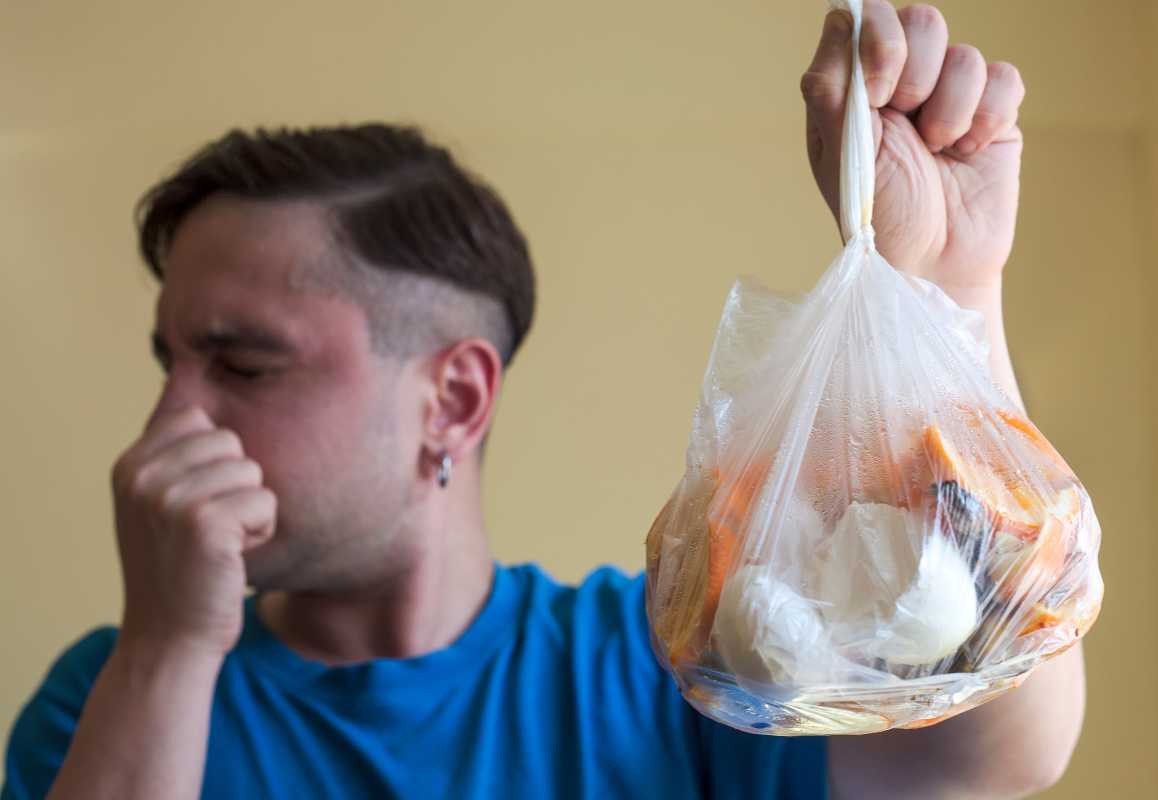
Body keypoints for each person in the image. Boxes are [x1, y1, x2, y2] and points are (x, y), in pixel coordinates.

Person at [3, 2, 1085, 798]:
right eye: (169, 363)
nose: (167, 425)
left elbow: (993, 751)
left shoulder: (671, 663)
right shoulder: (113, 693)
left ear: (454, 397)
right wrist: (164, 648)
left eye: (240, 365)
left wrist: (945, 285)